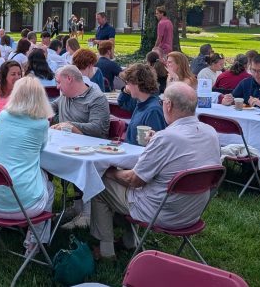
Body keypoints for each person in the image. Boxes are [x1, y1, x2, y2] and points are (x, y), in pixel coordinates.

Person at [90, 83, 221, 259]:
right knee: (126, 179)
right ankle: (130, 241)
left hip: (161, 212)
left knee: (99, 185)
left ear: (168, 105)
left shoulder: (166, 137)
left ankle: (106, 251)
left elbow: (134, 180)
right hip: (192, 212)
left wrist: (106, 171)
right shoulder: (210, 132)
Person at [0, 77, 55, 251]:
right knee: (49, 184)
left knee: (36, 175)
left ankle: (33, 239)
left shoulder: (3, 116)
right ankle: (35, 241)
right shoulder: (41, 124)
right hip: (26, 206)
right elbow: (42, 148)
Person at [51, 65, 110, 138]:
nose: (57, 87)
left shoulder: (97, 98)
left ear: (69, 79)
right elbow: (48, 108)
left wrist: (70, 126)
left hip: (90, 146)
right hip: (64, 142)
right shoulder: (65, 96)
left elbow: (98, 129)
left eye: (59, 82)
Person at [117, 64, 167, 145]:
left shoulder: (153, 110)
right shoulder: (141, 103)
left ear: (136, 83)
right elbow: (122, 103)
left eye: (128, 83)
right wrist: (125, 92)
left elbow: (156, 144)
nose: (127, 86)